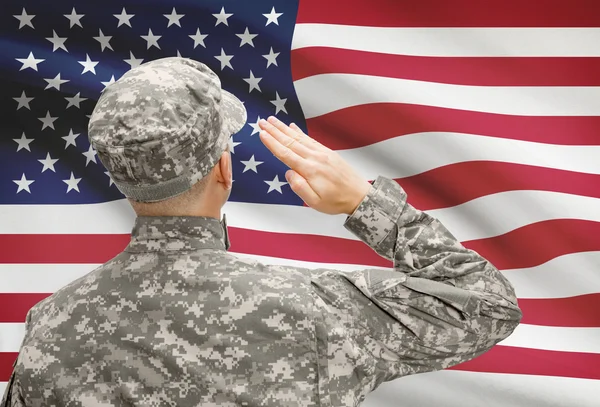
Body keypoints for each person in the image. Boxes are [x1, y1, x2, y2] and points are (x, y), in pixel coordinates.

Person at [1, 57, 522, 407]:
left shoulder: (51, 325)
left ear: (118, 172)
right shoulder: (318, 310)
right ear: (223, 169)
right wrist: (368, 204)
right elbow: (488, 305)